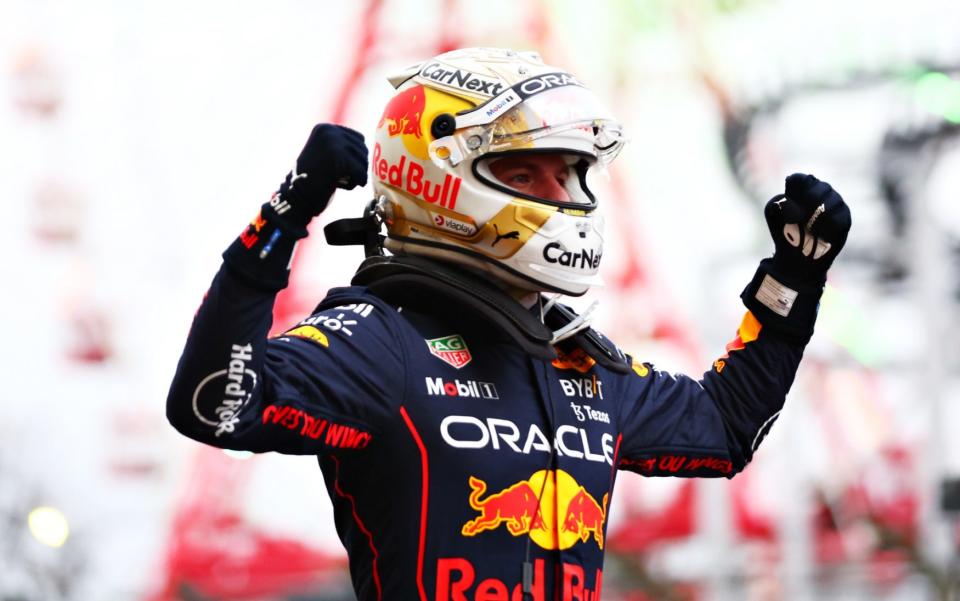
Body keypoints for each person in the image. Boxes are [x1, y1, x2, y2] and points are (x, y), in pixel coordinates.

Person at [167, 47, 851, 601]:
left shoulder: (579, 362)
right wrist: (287, 215)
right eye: (526, 174)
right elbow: (213, 403)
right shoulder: (380, 339)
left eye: (570, 173)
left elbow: (724, 428)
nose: (561, 197)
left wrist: (794, 279)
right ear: (436, 182)